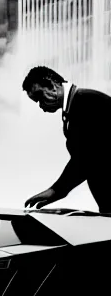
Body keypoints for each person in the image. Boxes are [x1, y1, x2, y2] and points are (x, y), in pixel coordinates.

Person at [22, 66, 111, 213]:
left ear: (52, 85)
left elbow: (85, 158)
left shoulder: (85, 102)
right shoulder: (79, 103)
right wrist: (58, 190)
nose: (41, 106)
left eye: (39, 97)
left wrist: (57, 190)